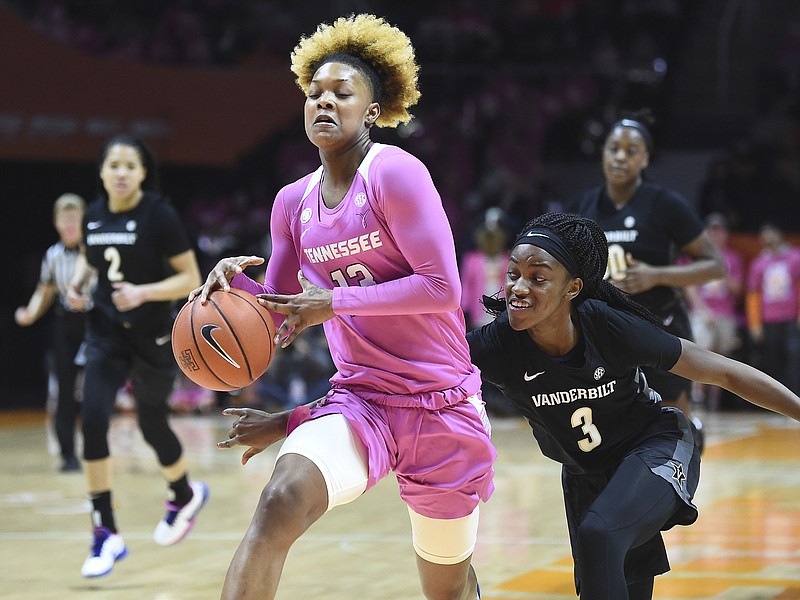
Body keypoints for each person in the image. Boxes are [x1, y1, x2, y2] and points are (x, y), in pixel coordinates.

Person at [192, 14, 495, 600]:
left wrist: (333, 302)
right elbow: (278, 311)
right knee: (279, 503)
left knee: (447, 588)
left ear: (372, 111)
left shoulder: (396, 174)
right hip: (360, 401)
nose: (324, 102)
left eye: (341, 93)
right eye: (314, 94)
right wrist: (230, 294)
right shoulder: (292, 203)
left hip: (442, 405)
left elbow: (443, 289)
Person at [467, 212, 800, 600]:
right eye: (513, 275)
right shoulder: (496, 345)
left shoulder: (607, 327)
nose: (519, 288)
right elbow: (417, 363)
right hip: (585, 474)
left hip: (654, 447)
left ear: (573, 288)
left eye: (538, 278)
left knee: (599, 533)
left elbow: (724, 373)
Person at [66, 133, 208, 578]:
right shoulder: (92, 215)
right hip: (106, 334)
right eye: (114, 165)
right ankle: (105, 532)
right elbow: (93, 259)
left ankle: (183, 493)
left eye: (131, 165)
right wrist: (76, 281)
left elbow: (191, 277)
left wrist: (144, 292)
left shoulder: (158, 216)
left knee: (151, 423)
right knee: (91, 419)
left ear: (144, 172)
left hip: (152, 337)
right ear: (103, 173)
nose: (122, 172)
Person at [568, 112, 726, 451]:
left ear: (645, 158)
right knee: (616, 436)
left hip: (662, 326)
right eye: (613, 149)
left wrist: (656, 275)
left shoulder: (664, 204)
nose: (620, 157)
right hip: (606, 334)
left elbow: (715, 266)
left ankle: (684, 461)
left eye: (631, 150)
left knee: (674, 432)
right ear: (603, 154)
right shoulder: (582, 207)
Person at [15, 193, 94, 472]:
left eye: (75, 217)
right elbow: (45, 290)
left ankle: (96, 451)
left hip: (93, 323)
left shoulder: (94, 250)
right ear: (56, 222)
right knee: (64, 392)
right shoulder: (52, 255)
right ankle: (68, 456)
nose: (70, 223)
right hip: (65, 326)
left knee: (94, 391)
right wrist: (30, 313)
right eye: (65, 218)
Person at [684, 213, 745, 409]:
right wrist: (703, 309)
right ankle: (698, 396)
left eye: (719, 230)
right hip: (702, 313)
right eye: (712, 230)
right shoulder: (698, 256)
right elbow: (689, 286)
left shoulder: (733, 258)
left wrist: (722, 271)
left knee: (721, 357)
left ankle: (714, 402)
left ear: (725, 234)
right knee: (701, 351)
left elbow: (738, 289)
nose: (715, 234)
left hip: (725, 315)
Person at [745, 222, 800, 395]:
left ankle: (794, 398)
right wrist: (755, 324)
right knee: (771, 360)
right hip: (768, 319)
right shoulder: (759, 262)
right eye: (764, 234)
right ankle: (773, 399)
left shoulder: (795, 258)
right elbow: (753, 294)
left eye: (770, 233)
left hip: (790, 318)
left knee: (793, 356)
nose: (767, 238)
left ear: (779, 234)